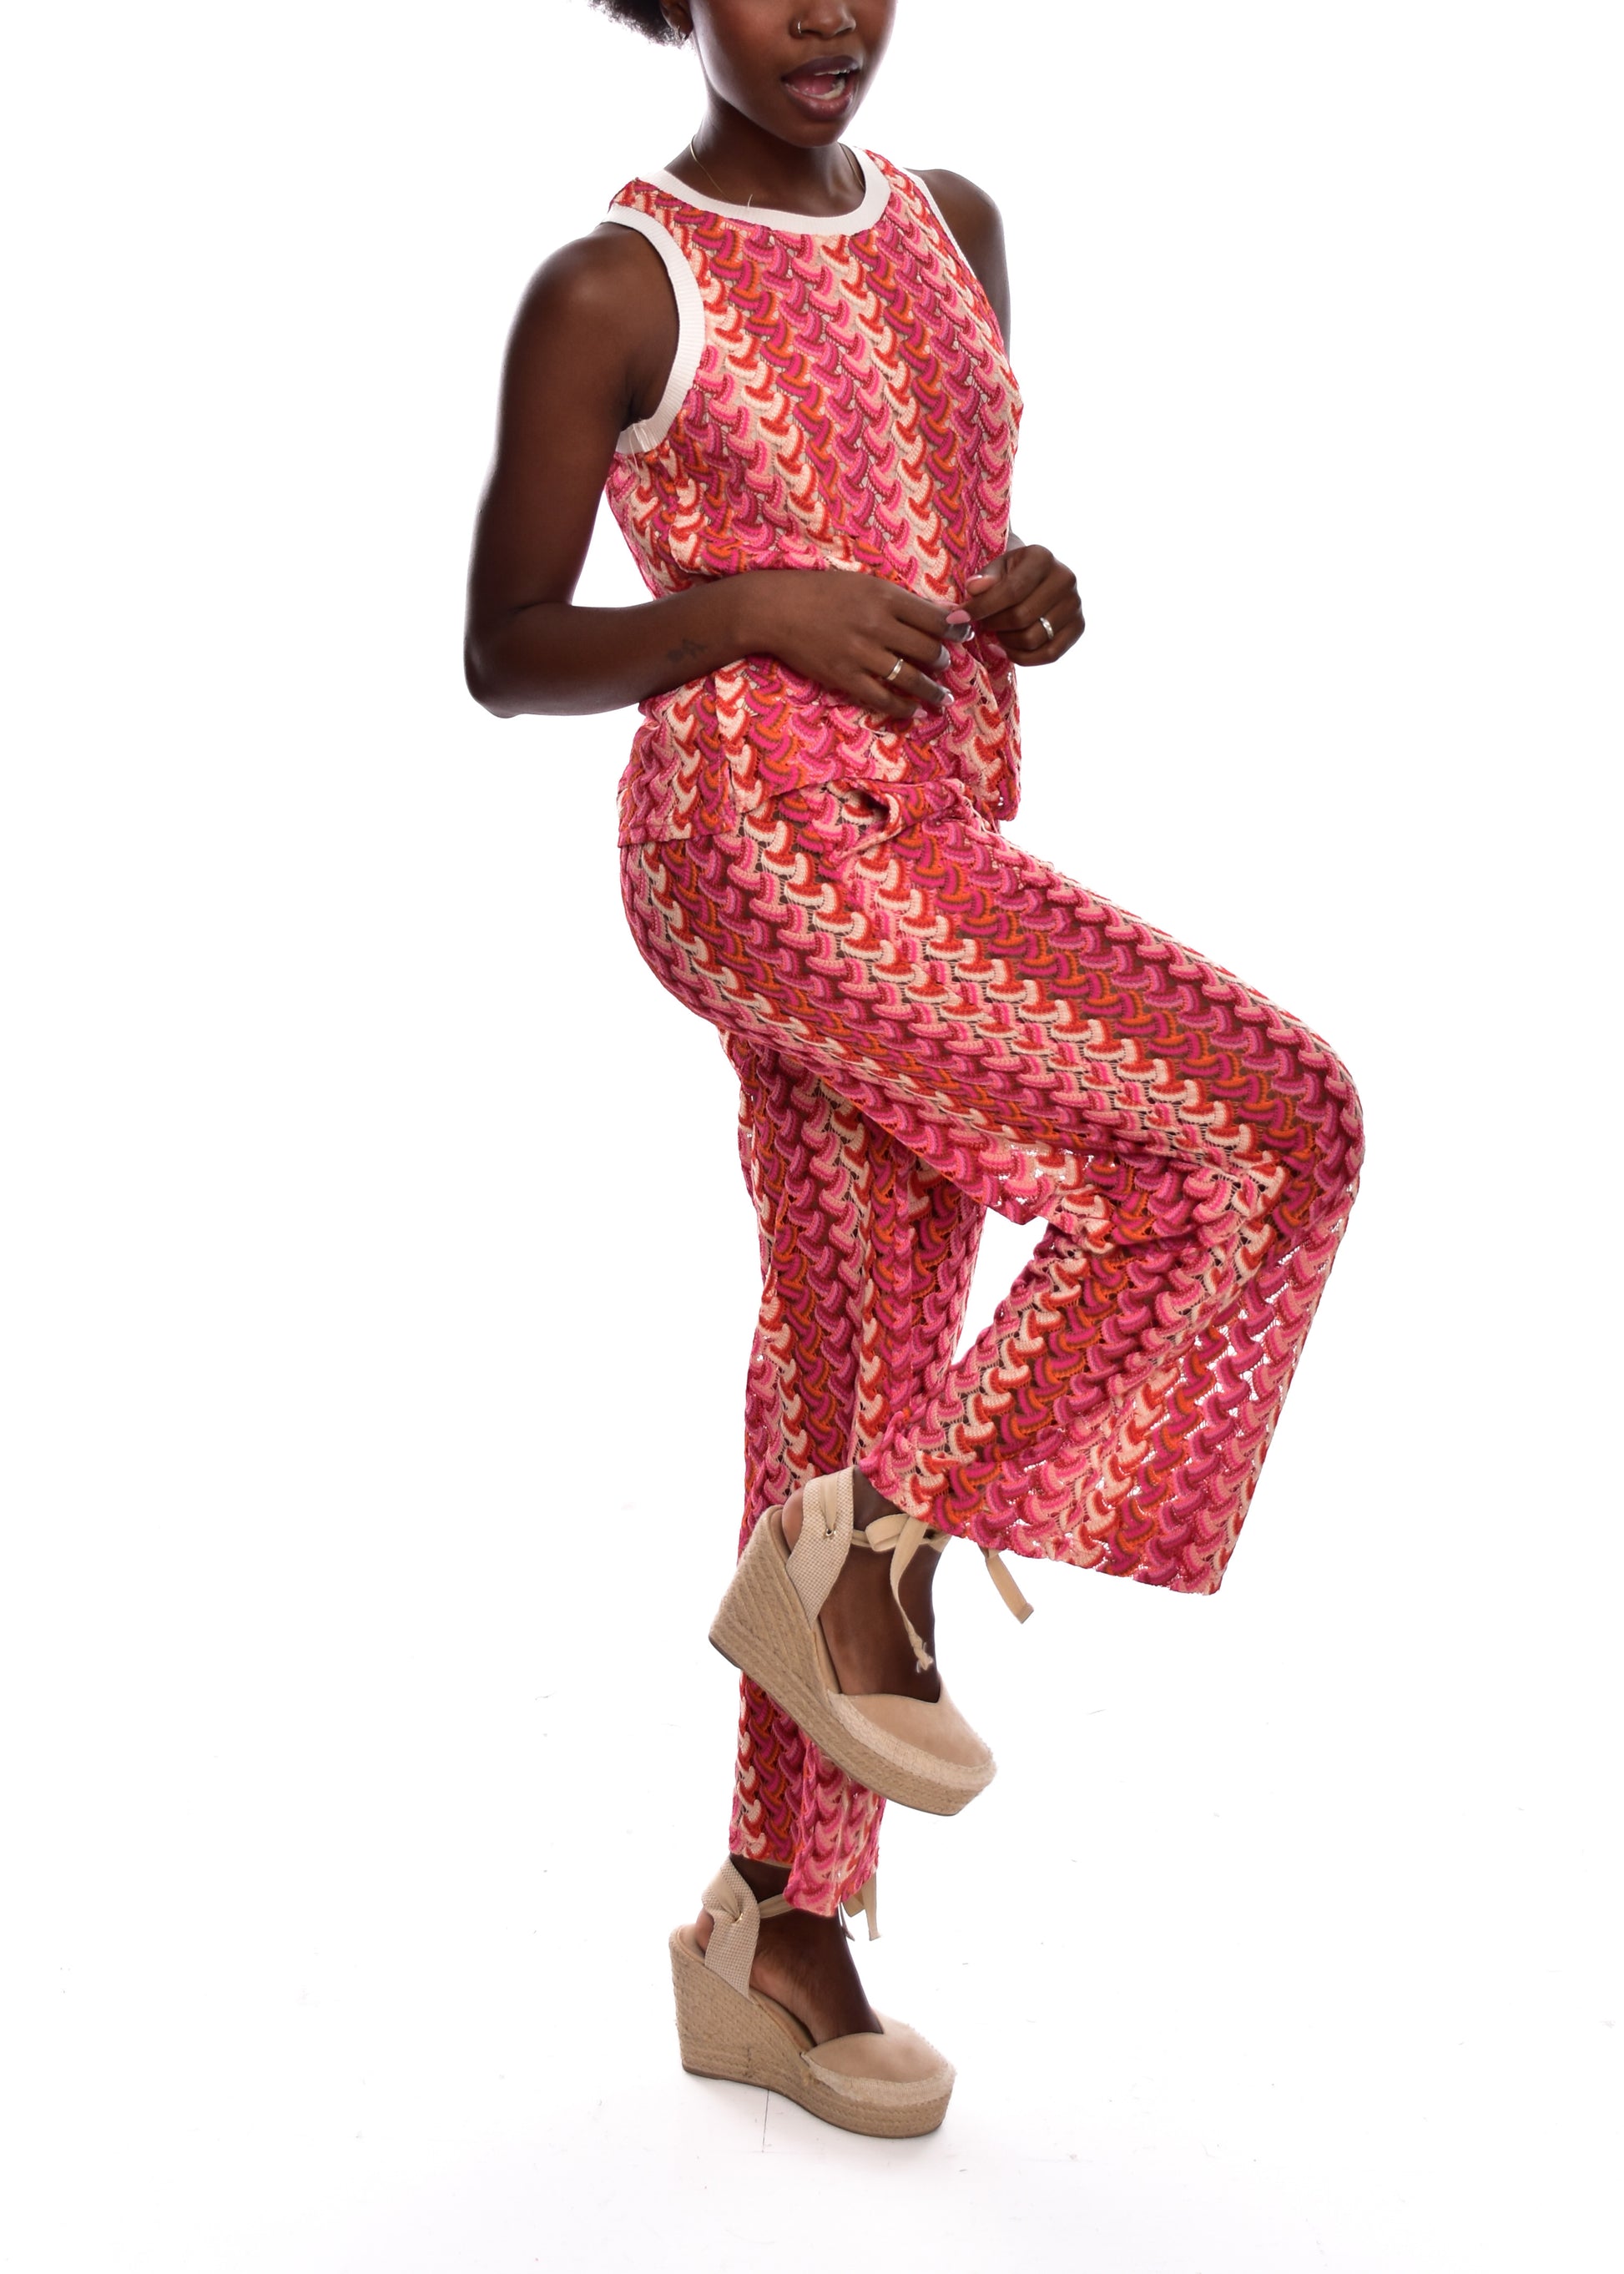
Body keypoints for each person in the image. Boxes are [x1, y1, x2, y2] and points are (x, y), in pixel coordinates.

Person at [464, 0, 1363, 2139]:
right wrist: (748, 605)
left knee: (854, 1348)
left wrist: (1009, 597)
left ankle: (777, 1935)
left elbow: (932, 541)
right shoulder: (617, 284)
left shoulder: (955, 226)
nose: (828, 13)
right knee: (1266, 1123)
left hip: (934, 825)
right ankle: (874, 1555)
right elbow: (506, 648)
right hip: (758, 844)